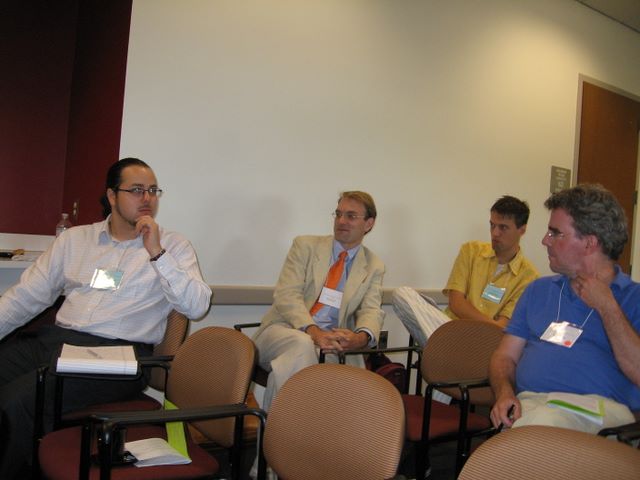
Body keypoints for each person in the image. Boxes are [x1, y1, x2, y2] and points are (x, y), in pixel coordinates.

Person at [0, 158, 212, 477]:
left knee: (18, 401)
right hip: (57, 342)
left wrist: (157, 253)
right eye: (136, 190)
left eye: (153, 190)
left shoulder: (172, 245)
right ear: (112, 195)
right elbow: (26, 296)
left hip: (118, 356)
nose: (147, 198)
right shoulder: (75, 240)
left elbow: (197, 306)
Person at [490, 184, 639, 433]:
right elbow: (505, 356)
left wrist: (607, 307)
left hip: (598, 412)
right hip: (532, 405)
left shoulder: (633, 298)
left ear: (589, 243)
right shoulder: (537, 291)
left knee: (537, 426)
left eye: (555, 233)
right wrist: (504, 393)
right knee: (531, 422)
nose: (544, 240)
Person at [253, 191, 385, 412]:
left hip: (331, 344)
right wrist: (313, 332)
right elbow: (287, 296)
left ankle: (276, 429)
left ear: (369, 224)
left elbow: (371, 310)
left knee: (286, 371)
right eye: (338, 214)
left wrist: (360, 338)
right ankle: (290, 429)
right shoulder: (305, 246)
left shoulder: (374, 265)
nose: (341, 221)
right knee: (302, 344)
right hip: (283, 330)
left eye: (351, 216)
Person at [393, 195, 539, 347]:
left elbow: (502, 327)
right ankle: (447, 349)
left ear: (522, 230)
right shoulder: (471, 251)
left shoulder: (529, 277)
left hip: (483, 343)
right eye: (492, 225)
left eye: (503, 227)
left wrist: (486, 326)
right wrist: (491, 324)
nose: (495, 233)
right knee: (402, 294)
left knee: (494, 343)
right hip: (449, 328)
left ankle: (445, 350)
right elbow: (456, 303)